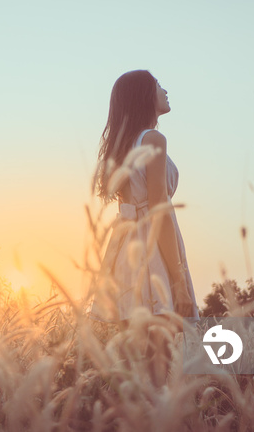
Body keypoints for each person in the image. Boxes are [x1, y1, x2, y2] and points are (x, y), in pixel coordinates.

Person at [89, 70, 199, 323]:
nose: (166, 91)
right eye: (159, 85)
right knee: (161, 357)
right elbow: (158, 210)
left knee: (135, 358)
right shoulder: (153, 139)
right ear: (144, 95)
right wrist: (178, 280)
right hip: (154, 255)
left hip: (126, 256)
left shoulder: (123, 146)